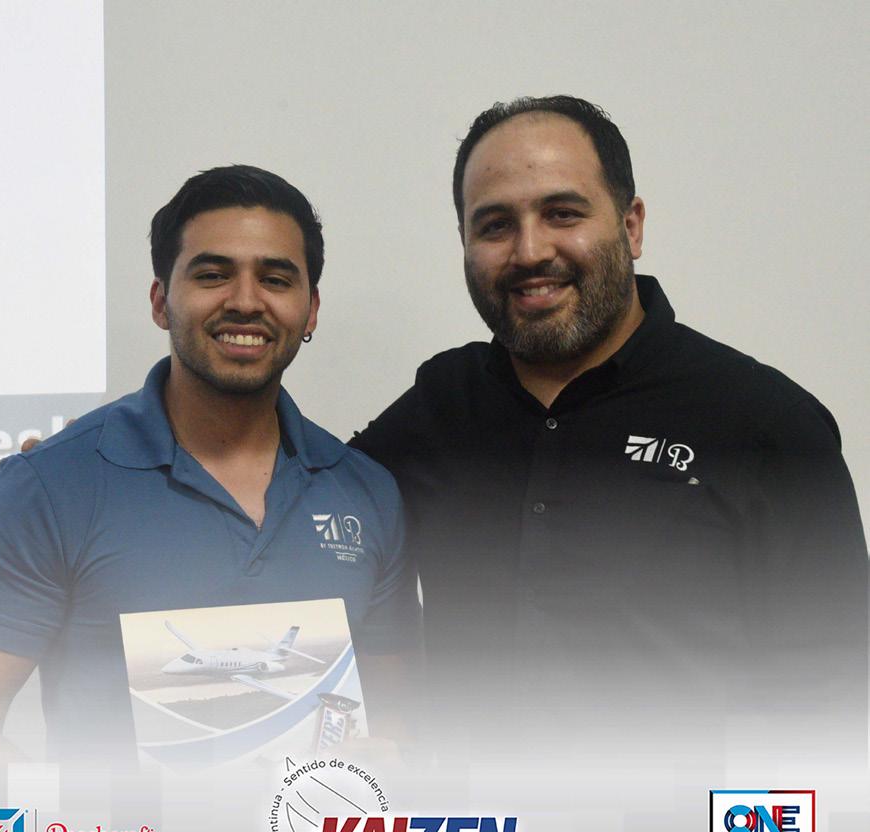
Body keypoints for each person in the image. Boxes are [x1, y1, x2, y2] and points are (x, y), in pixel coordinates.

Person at [351, 96, 868, 761]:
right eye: (496, 225)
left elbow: (833, 706)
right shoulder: (441, 404)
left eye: (563, 213)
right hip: (477, 827)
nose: (530, 251)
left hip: (680, 826)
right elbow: (299, 502)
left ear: (632, 225)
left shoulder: (767, 424)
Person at [0, 165, 419, 765]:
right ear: (161, 302)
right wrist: (59, 816)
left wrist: (383, 772)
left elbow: (395, 722)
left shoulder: (367, 494)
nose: (245, 301)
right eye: (212, 275)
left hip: (307, 827)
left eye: (275, 279)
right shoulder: (45, 488)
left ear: (310, 310)